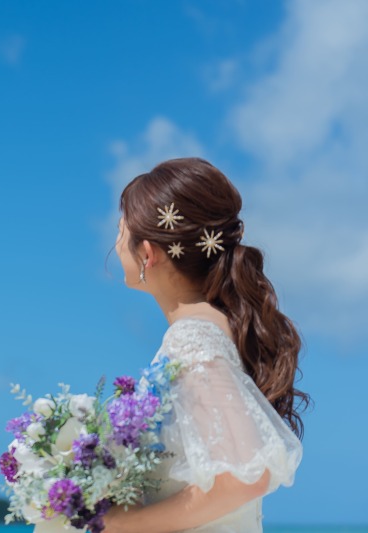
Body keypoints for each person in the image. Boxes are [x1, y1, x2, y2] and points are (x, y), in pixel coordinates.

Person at [103, 158, 307, 532]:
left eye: (120, 232)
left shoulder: (192, 337)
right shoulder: (217, 325)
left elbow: (247, 475)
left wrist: (121, 525)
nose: (116, 245)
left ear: (147, 253)